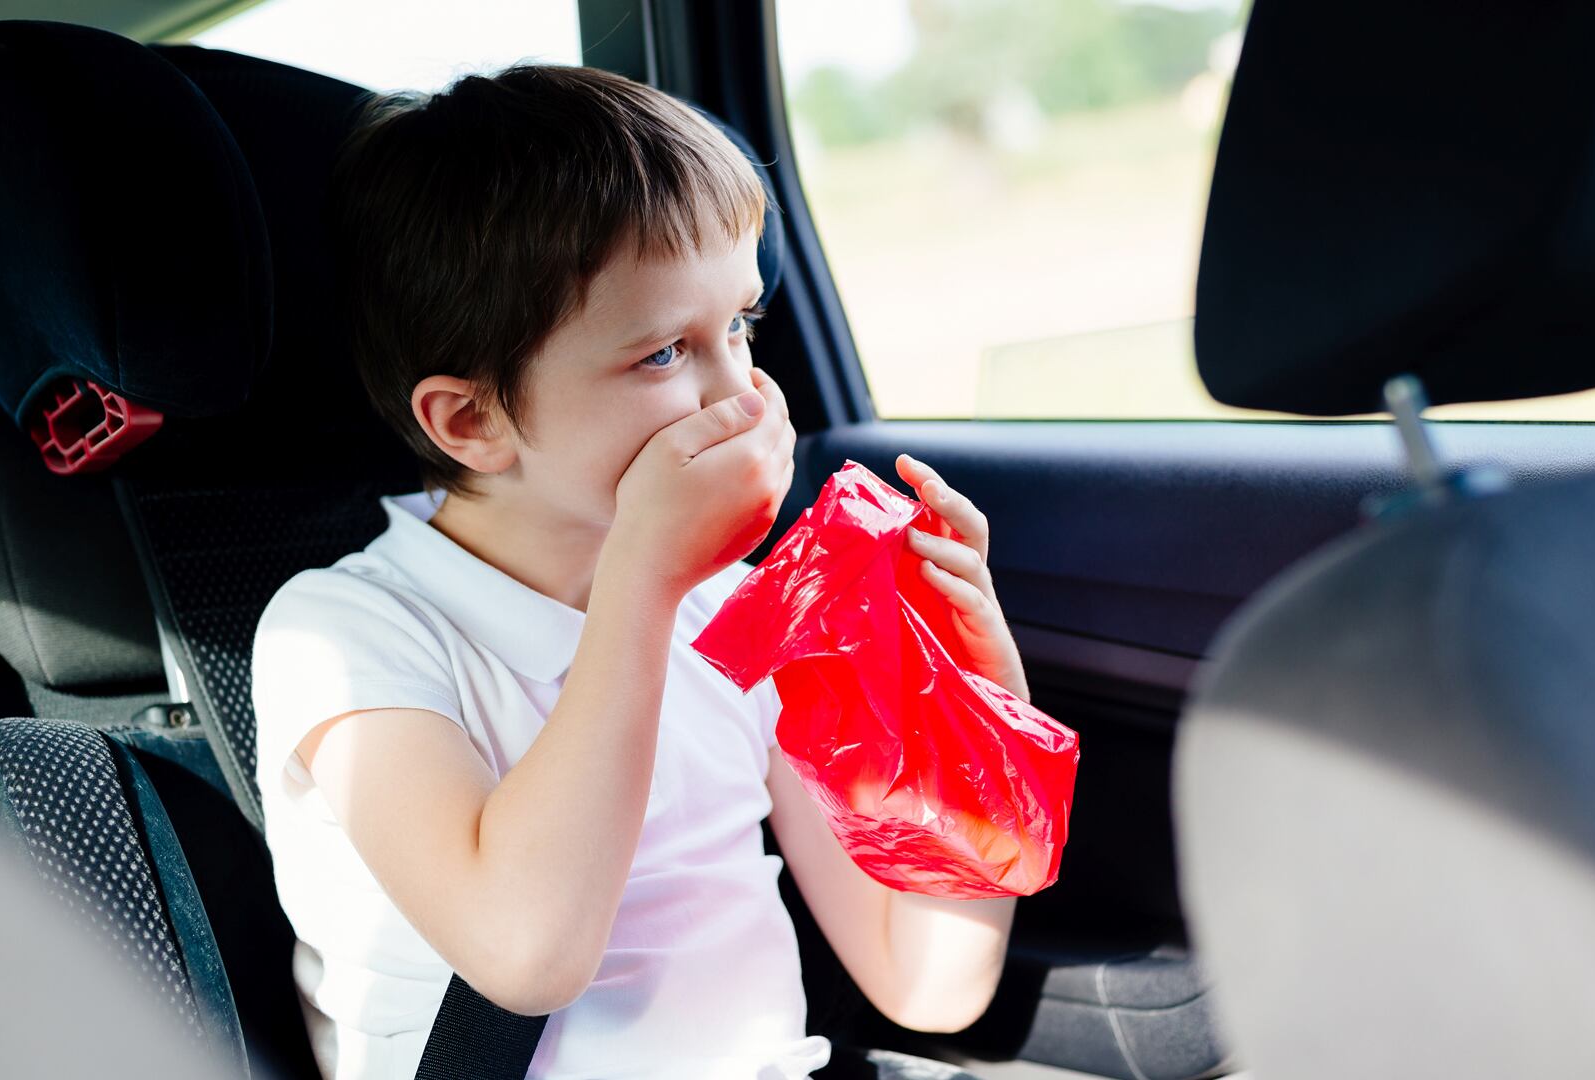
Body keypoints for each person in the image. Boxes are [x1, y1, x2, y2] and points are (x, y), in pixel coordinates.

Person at [250, 63, 1032, 1080]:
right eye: (664, 353)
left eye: (741, 326)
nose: (745, 396)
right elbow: (526, 957)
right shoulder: (343, 637)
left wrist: (975, 708)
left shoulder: (737, 611)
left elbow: (927, 979)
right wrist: (644, 582)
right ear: (474, 421)